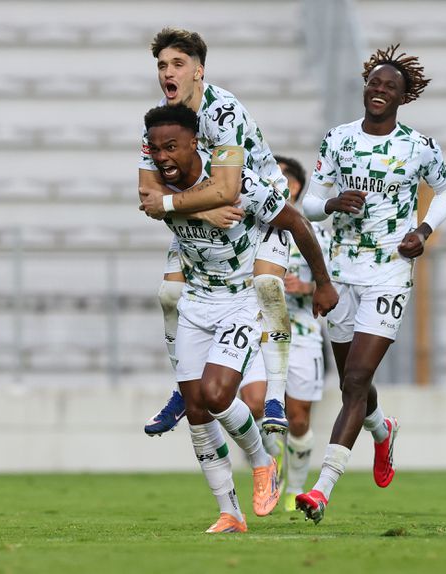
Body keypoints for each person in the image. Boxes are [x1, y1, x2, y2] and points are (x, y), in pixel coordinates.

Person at [143, 103, 336, 533]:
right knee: (197, 412)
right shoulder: (157, 185)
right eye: (155, 149)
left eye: (172, 147)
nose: (163, 158)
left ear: (196, 143)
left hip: (239, 299)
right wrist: (200, 211)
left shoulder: (242, 184)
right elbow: (153, 204)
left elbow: (297, 224)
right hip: (196, 299)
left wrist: (322, 282)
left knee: (215, 394)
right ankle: (229, 512)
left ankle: (263, 461)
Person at [294, 45, 446, 524]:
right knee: (355, 385)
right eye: (375, 83)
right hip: (341, 272)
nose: (380, 91)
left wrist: (423, 231)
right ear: (365, 87)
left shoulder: (419, 146)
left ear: (403, 98)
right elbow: (308, 202)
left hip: (389, 273)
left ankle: (322, 491)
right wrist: (330, 204)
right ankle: (382, 430)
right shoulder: (338, 140)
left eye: (390, 86)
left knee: (354, 381)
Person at [139, 27, 301, 436]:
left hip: (261, 208)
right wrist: (201, 213)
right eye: (162, 65)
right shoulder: (161, 118)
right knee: (169, 294)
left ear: (199, 70)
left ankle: (276, 396)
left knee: (267, 287)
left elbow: (229, 190)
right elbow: (147, 194)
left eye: (178, 63)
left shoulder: (221, 112)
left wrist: (181, 205)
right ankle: (183, 388)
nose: (167, 72)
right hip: (204, 212)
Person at [269, 155, 332, 512]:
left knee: (297, 418)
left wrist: (306, 287)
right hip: (259, 329)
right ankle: (267, 455)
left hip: (303, 331)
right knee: (250, 403)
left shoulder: (316, 232)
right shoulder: (251, 225)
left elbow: (335, 281)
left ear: (294, 186)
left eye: (279, 177)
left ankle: (293, 489)